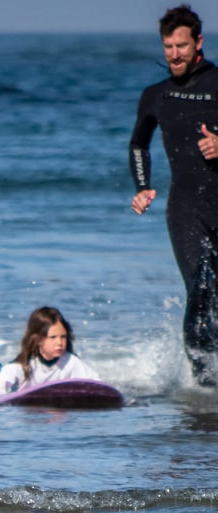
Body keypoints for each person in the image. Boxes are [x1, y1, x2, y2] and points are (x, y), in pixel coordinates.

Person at [129, 4, 218, 385]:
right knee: (200, 290)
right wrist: (143, 186)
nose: (174, 54)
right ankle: (205, 384)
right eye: (168, 46)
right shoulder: (156, 95)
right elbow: (138, 144)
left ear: (198, 42)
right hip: (185, 208)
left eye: (181, 45)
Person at [0, 307, 100, 398]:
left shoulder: (71, 362)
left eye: (63, 337)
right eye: (53, 337)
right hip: (21, 397)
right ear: (38, 340)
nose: (60, 342)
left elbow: (96, 382)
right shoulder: (23, 365)